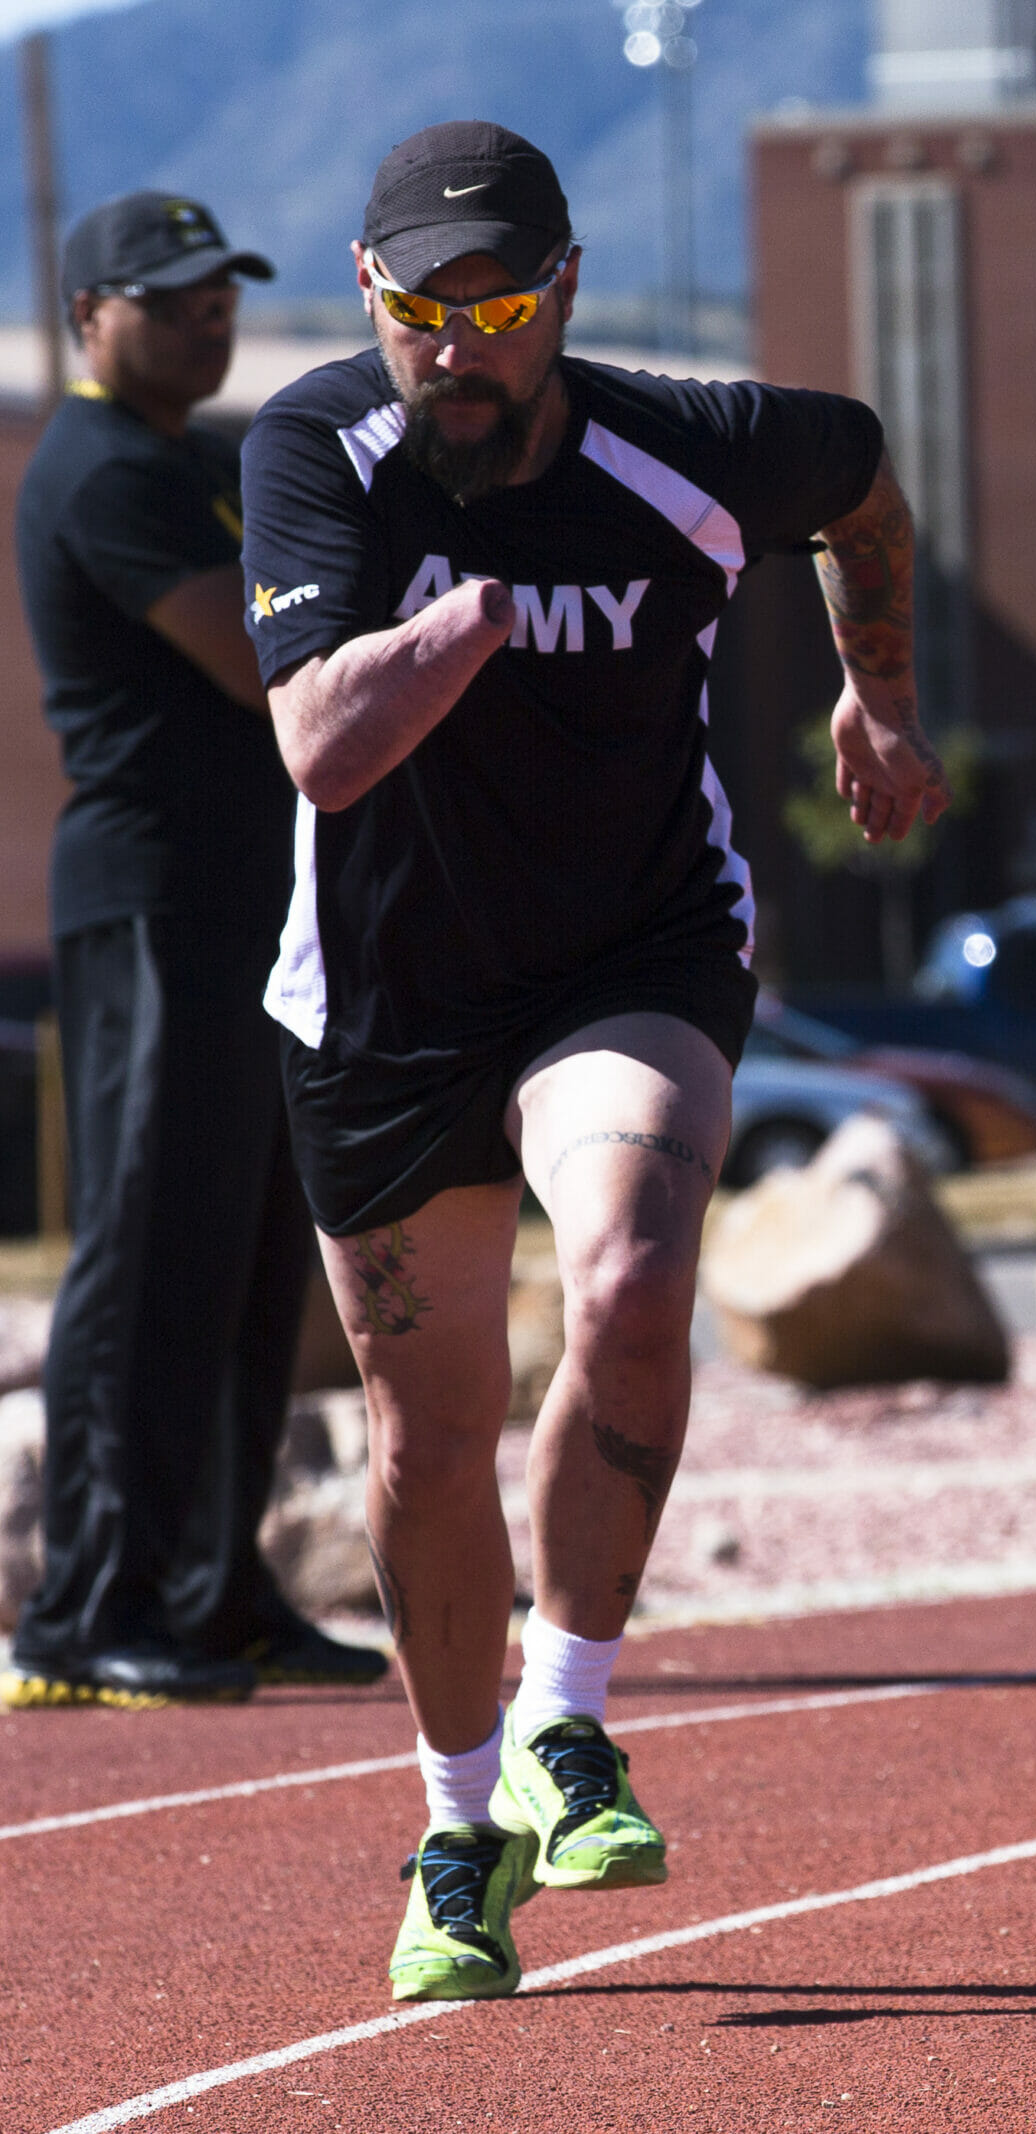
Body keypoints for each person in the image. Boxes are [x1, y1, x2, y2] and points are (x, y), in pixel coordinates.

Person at [236, 122, 945, 2001]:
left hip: (630, 952)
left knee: (633, 1272)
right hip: (388, 995)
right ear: (366, 294)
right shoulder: (317, 450)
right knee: (422, 1434)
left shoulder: (692, 446)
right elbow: (317, 747)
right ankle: (459, 1822)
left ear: (564, 291)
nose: (452, 345)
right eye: (415, 309)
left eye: (494, 305)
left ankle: (569, 1720)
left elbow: (864, 488)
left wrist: (878, 689)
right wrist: (452, 628)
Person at [3, 193, 388, 1711]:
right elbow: (260, 654)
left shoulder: (210, 461)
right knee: (150, 1247)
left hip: (255, 902)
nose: (205, 318)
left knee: (248, 1253)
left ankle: (221, 1590)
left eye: (220, 293)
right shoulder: (100, 468)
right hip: (152, 898)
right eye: (169, 299)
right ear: (92, 313)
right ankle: (87, 1612)